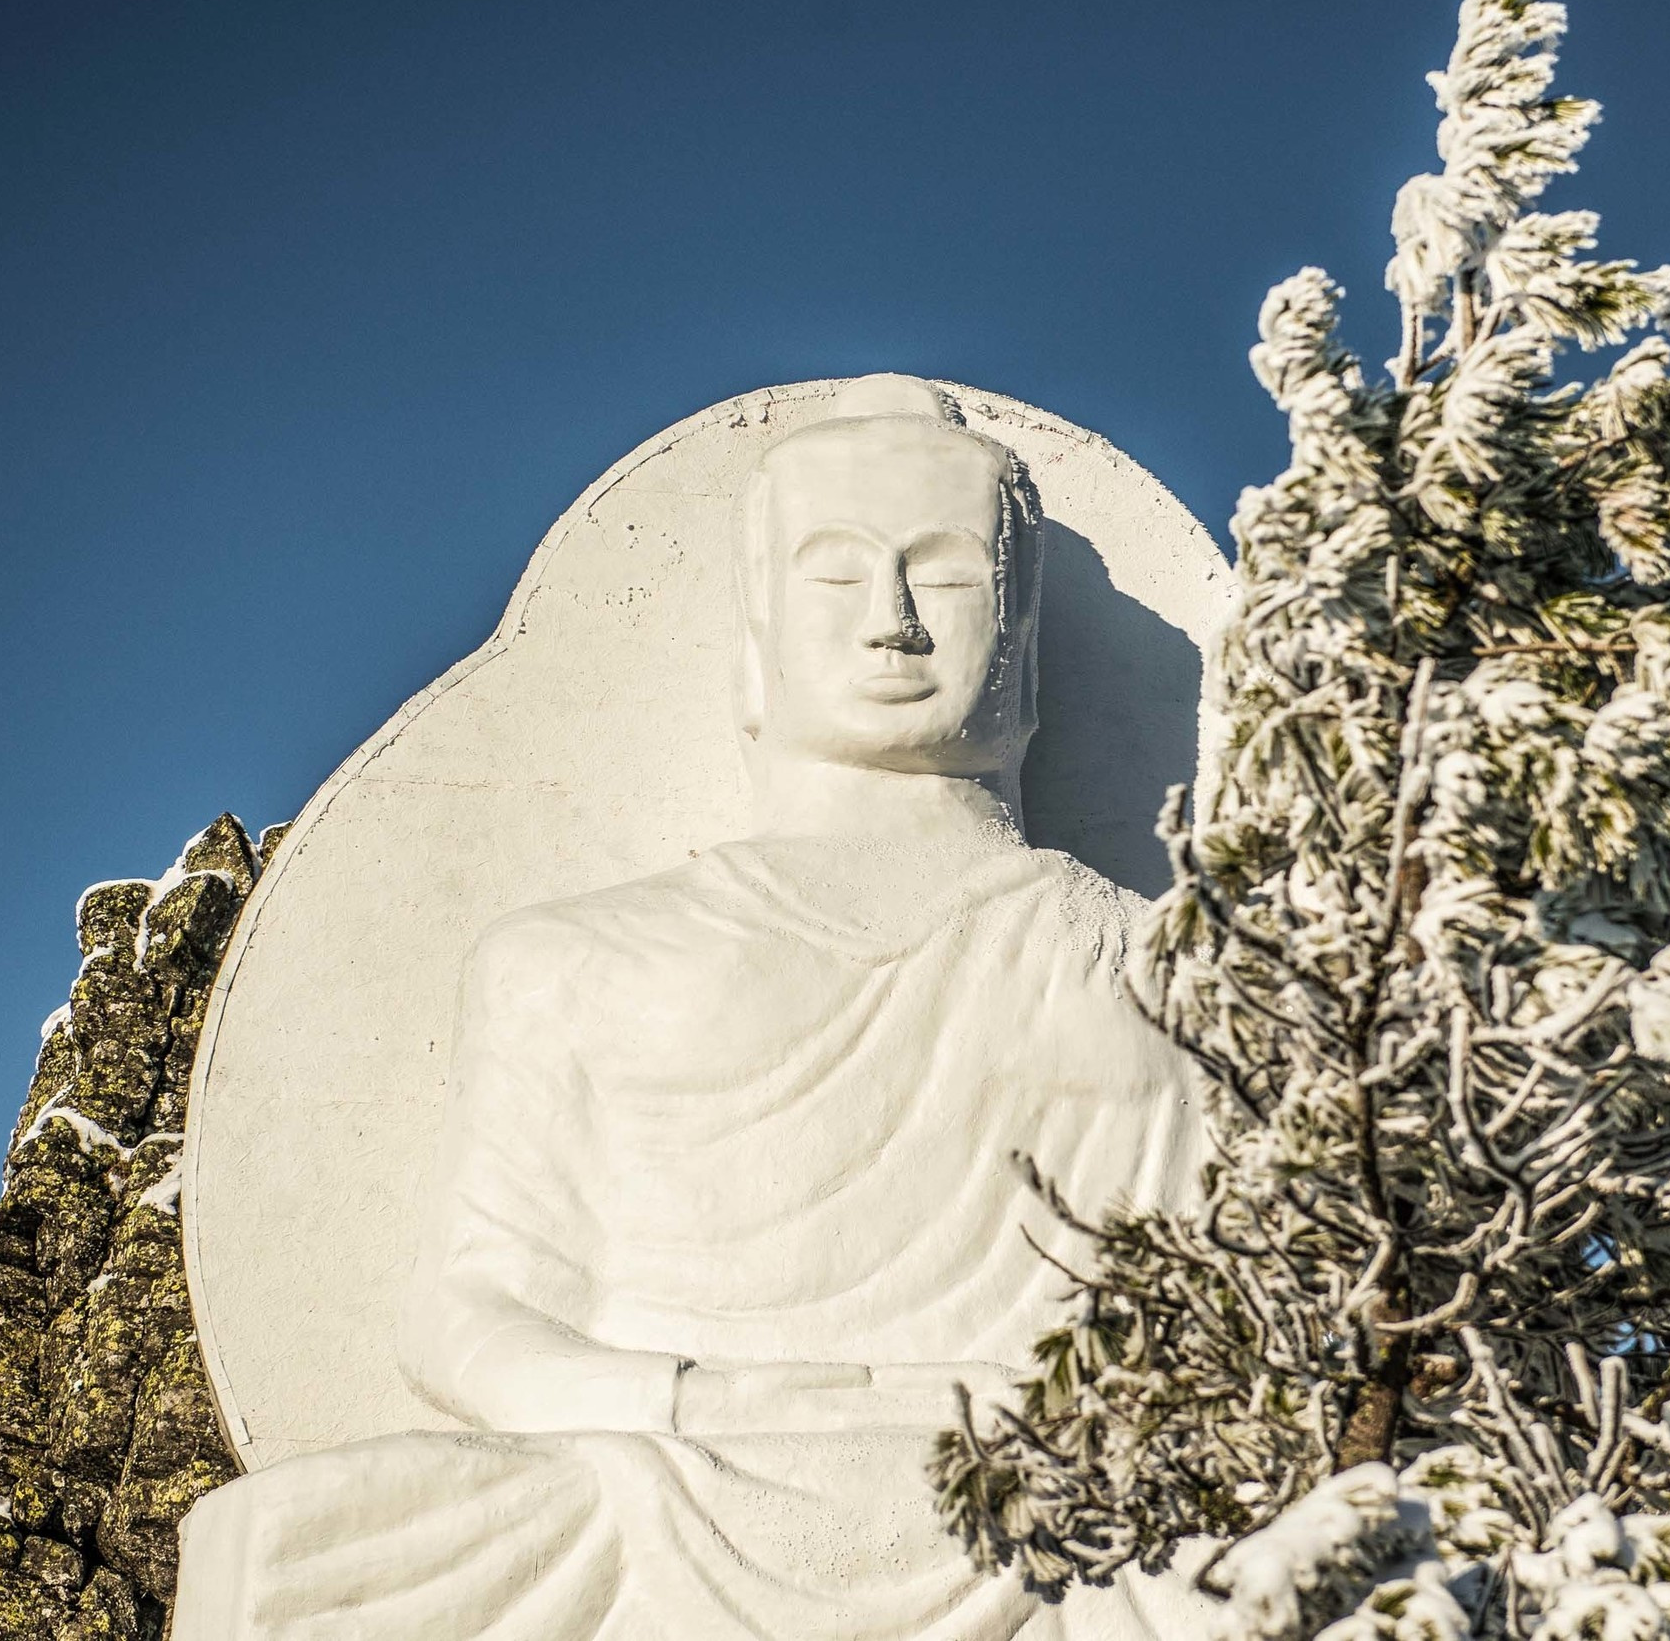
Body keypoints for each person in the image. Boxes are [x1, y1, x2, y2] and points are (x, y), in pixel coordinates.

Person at [172, 376, 1219, 1640]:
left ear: (1025, 651)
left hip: (1044, 1496)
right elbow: (466, 1320)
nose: (892, 625)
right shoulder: (571, 959)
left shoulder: (1153, 967)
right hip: (660, 1480)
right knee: (291, 1552)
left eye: (944, 579)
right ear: (756, 646)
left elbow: (1225, 1332)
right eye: (836, 579)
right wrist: (696, 1402)